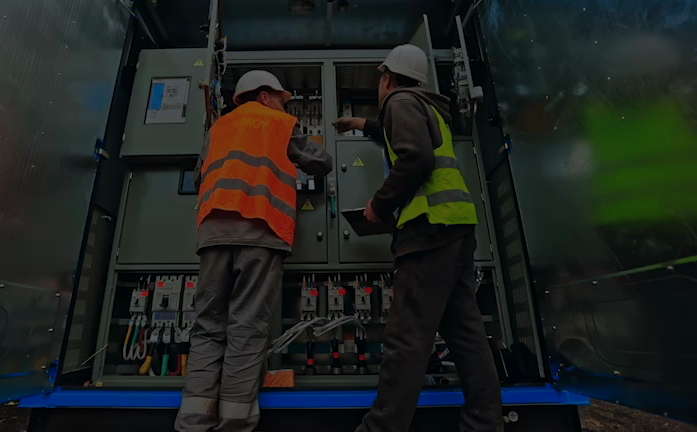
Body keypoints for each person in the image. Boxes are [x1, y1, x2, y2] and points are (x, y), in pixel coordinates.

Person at [334, 44, 503, 432]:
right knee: (466, 334)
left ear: (388, 79)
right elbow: (404, 138)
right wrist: (359, 124)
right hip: (457, 228)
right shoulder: (427, 107)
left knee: (405, 337)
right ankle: (484, 423)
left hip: (428, 231)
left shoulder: (398, 102)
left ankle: (381, 428)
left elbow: (415, 157)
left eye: (380, 78)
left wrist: (379, 205)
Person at [176, 70, 333, 432]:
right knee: (246, 326)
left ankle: (193, 422)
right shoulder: (278, 122)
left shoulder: (218, 128)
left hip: (214, 233)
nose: (284, 103)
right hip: (261, 229)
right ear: (264, 96)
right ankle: (234, 423)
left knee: (207, 326)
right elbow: (321, 162)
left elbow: (201, 177)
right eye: (281, 97)